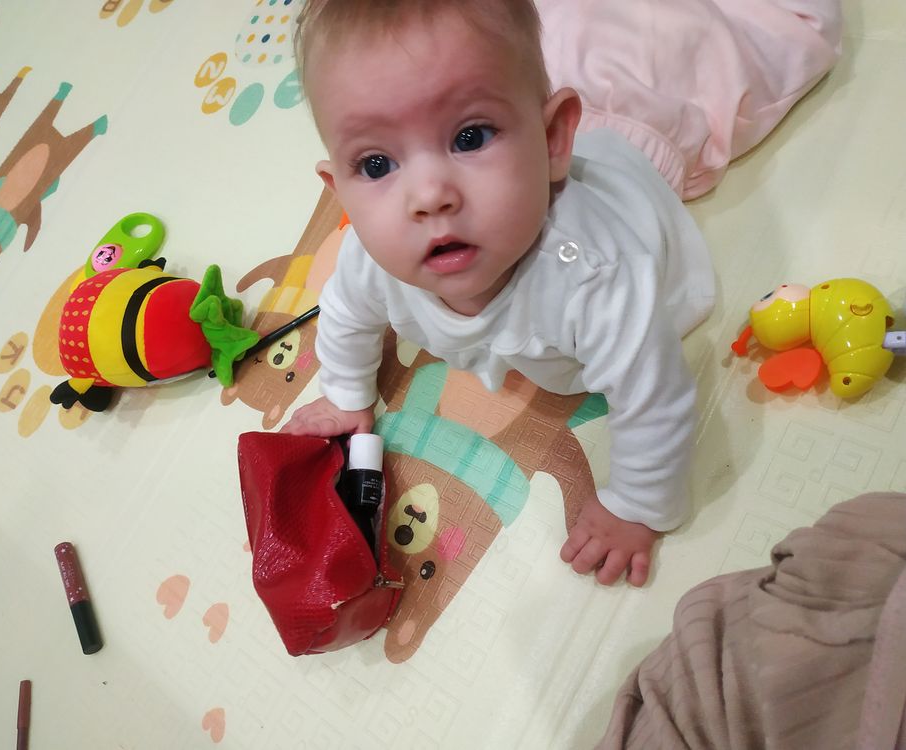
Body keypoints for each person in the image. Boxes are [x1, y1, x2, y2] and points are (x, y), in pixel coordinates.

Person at [281, 0, 841, 587]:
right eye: (376, 165)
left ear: (552, 140)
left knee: (745, 46)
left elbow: (656, 399)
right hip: (575, 140)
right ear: (340, 192)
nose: (428, 195)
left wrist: (636, 506)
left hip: (646, 157)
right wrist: (346, 392)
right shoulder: (372, 259)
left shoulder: (594, 278)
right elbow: (345, 312)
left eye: (470, 137)